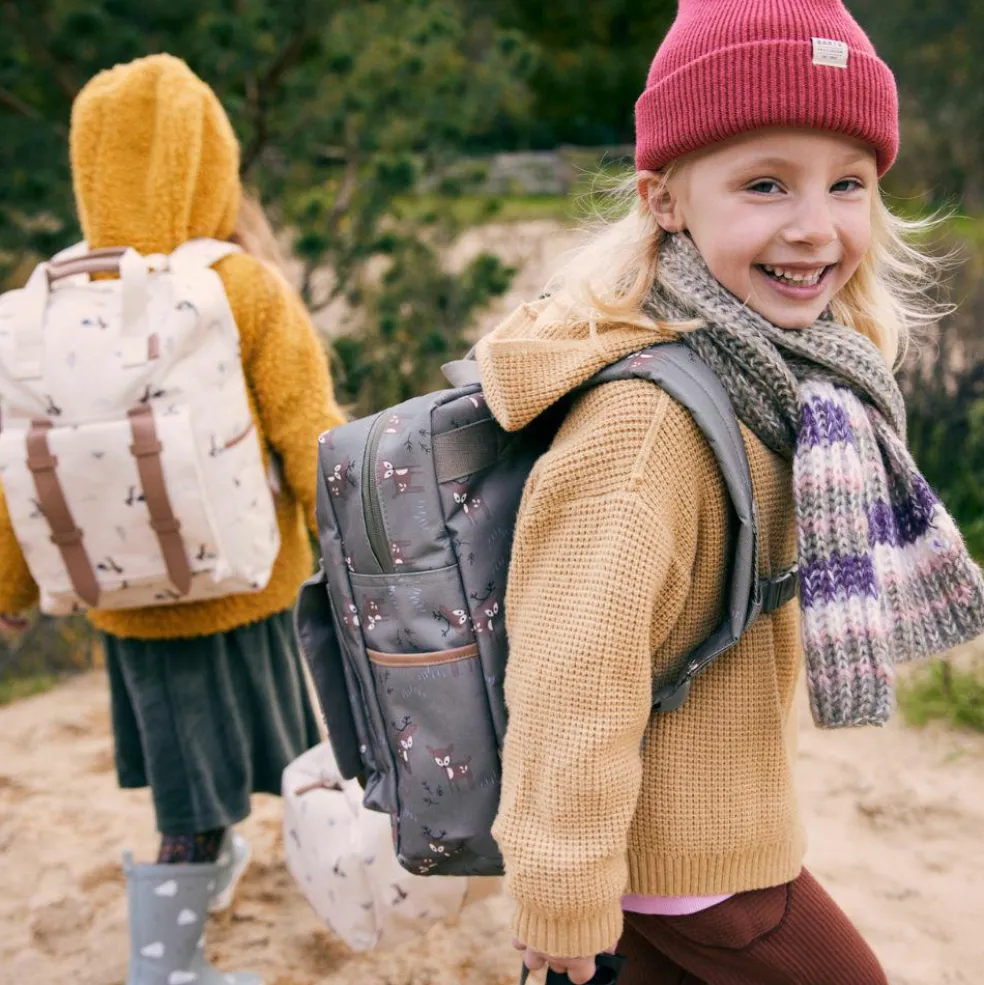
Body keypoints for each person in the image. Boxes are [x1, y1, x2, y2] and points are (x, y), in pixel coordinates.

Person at [478, 2, 984, 983]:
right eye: (764, 183)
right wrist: (562, 888)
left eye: (847, 183)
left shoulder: (783, 375)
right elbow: (572, 672)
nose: (814, 226)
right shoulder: (648, 427)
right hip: (693, 859)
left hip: (690, 846)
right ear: (666, 199)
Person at [0, 54, 344, 984]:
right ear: (209, 161)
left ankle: (210, 868)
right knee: (197, 804)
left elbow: (14, 460)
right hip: (243, 578)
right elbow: (307, 432)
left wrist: (11, 590)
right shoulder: (241, 285)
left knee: (191, 774)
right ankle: (168, 965)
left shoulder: (50, 303)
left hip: (124, 600)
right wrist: (357, 544)